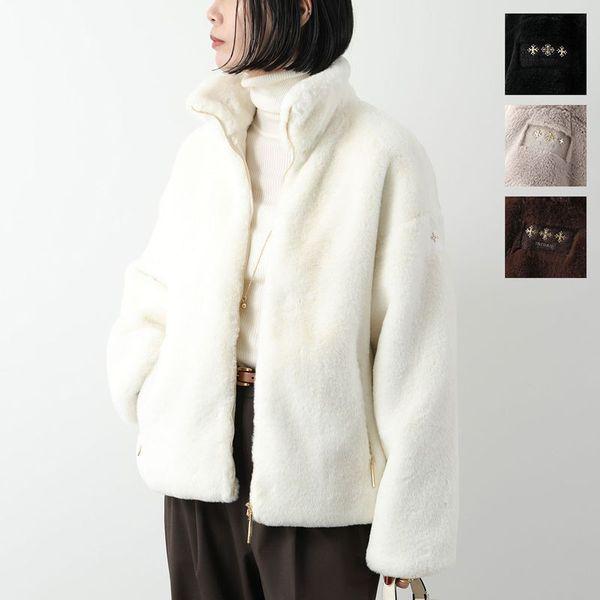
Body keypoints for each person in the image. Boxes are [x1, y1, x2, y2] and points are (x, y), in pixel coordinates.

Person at [106, 1, 459, 598]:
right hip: (199, 456)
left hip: (322, 474)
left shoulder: (381, 153)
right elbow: (154, 290)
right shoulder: (204, 152)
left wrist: (408, 527)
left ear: (300, 8)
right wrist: (149, 389)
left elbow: (416, 353)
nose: (212, 12)